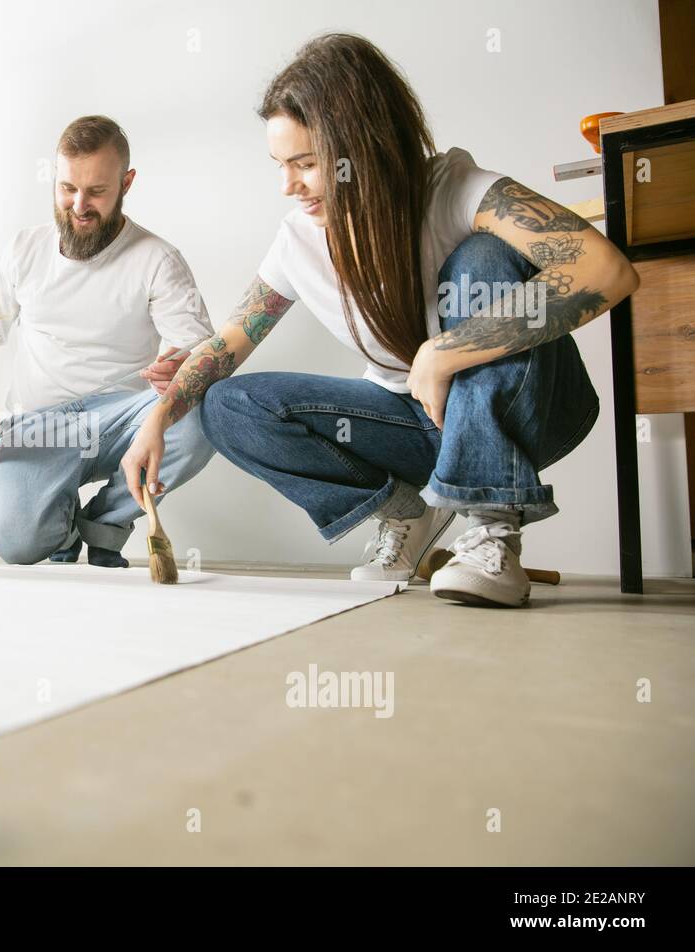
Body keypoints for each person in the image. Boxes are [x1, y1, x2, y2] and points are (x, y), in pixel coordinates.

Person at [121, 34, 638, 607]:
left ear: (359, 148)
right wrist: (158, 420)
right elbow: (229, 344)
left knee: (482, 257)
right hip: (417, 428)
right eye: (280, 165)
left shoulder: (454, 188)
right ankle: (408, 515)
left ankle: (491, 527)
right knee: (228, 404)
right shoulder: (298, 241)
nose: (288, 185)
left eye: (306, 164)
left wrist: (446, 351)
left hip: (533, 408)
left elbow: (605, 269)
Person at [0, 115, 215, 567]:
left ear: (126, 183)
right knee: (15, 542)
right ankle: (61, 532)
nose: (79, 205)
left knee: (209, 411)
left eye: (96, 191)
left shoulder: (158, 259)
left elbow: (201, 349)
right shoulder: (23, 249)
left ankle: (104, 523)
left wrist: (184, 365)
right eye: (67, 188)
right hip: (37, 424)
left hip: (123, 419)